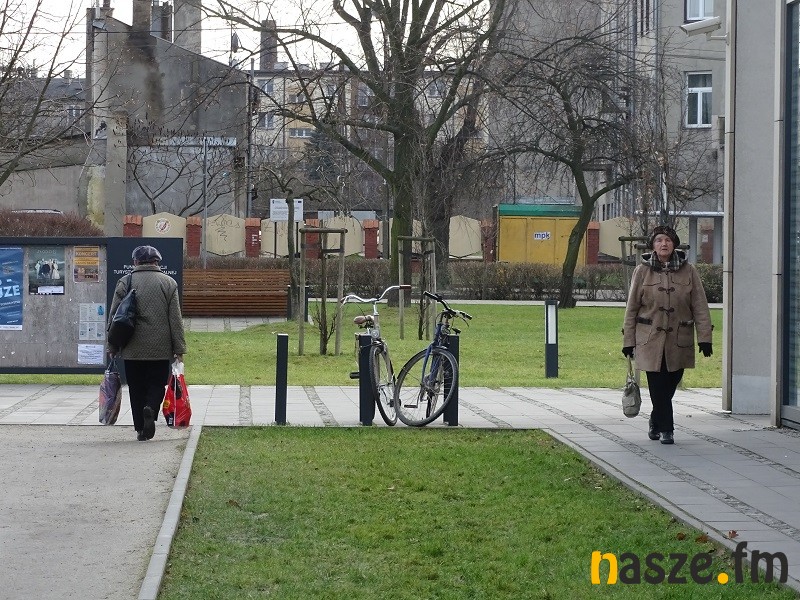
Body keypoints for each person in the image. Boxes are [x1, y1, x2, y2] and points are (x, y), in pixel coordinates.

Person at [622, 225, 713, 445]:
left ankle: (655, 419)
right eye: (659, 240)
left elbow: (700, 306)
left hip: (679, 339)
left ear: (674, 245)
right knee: (657, 384)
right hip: (649, 339)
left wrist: (704, 338)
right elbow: (631, 308)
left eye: (668, 240)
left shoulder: (689, 270)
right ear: (652, 245)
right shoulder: (642, 271)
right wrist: (628, 341)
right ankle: (667, 429)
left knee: (671, 381)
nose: (664, 244)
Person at [108, 245, 186, 441]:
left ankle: (140, 429)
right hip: (160, 347)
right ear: (157, 262)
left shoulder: (125, 282)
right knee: (157, 384)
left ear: (135, 262)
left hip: (132, 346)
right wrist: (179, 348)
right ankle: (150, 407)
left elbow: (114, 316)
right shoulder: (168, 283)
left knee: (136, 387)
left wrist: (112, 346)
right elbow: (175, 319)